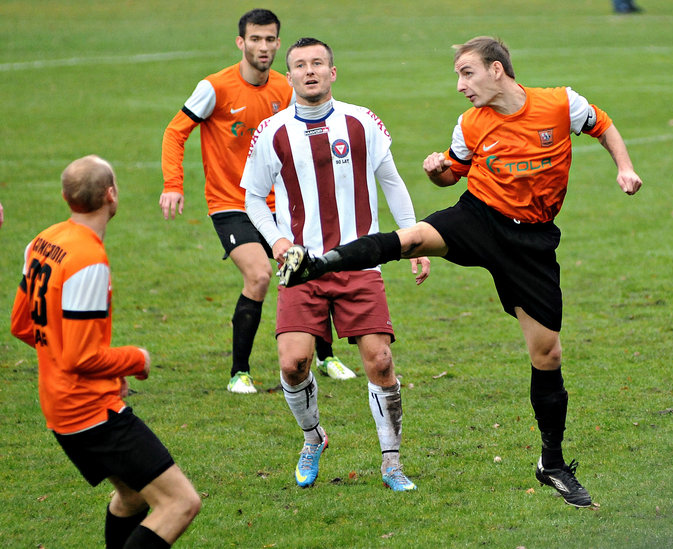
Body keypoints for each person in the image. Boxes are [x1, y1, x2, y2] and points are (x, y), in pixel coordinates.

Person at [277, 36, 643, 507]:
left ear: (496, 70)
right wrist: (435, 172)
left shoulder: (560, 104)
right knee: (409, 241)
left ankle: (551, 462)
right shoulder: (470, 123)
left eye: (466, 73)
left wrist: (625, 168)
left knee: (547, 353)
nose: (459, 85)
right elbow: (453, 172)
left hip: (531, 244)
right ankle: (319, 262)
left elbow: (604, 125)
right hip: (479, 217)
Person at [241, 37, 430, 491]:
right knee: (293, 365)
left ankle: (391, 462)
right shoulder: (271, 132)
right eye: (301, 65)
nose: (310, 71)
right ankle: (313, 438)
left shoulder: (362, 122)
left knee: (381, 363)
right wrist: (279, 239)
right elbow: (252, 197)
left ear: (333, 72)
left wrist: (415, 240)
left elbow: (393, 182)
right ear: (290, 77)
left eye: (318, 63)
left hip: (360, 263)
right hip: (301, 269)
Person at [160, 9, 354, 395]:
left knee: (309, 265)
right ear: (241, 42)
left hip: (278, 204)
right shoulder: (214, 88)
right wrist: (173, 183)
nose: (262, 47)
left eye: (269, 40)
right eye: (255, 39)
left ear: (278, 43)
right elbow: (175, 132)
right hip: (230, 203)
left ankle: (325, 355)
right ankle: (239, 372)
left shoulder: (286, 86)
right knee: (261, 275)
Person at [10, 155, 200, 548]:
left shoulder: (42, 241)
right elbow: (80, 358)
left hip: (59, 406)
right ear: (111, 194)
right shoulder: (88, 261)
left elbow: (23, 325)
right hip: (89, 411)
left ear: (66, 197)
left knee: (132, 497)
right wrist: (136, 360)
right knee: (181, 503)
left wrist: (101, 371)